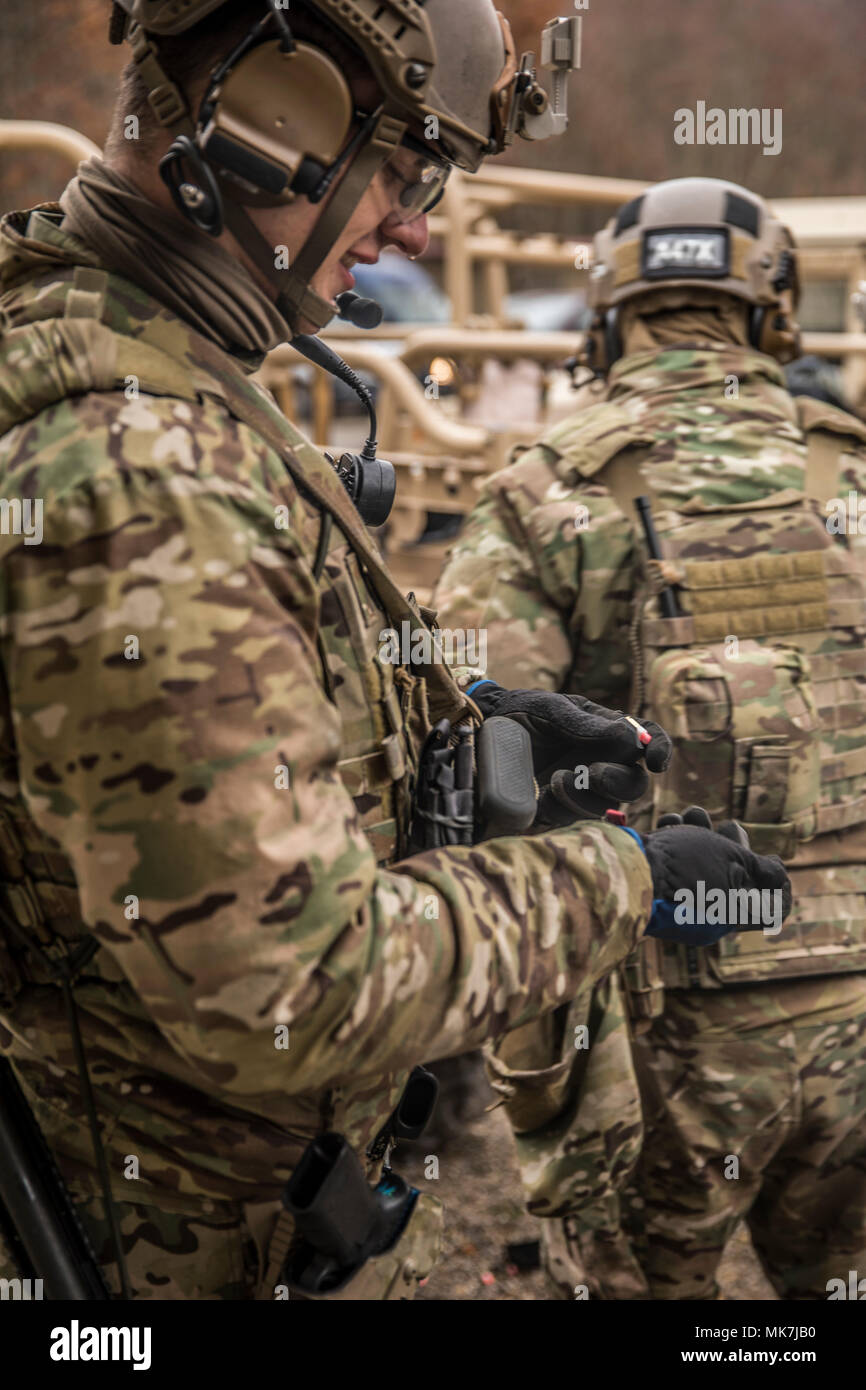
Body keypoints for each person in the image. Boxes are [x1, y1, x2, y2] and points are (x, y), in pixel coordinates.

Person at [0, 4, 789, 1301]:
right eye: (410, 174)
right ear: (276, 124)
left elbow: (240, 699)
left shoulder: (152, 373)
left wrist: (477, 722)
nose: (418, 227)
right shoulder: (143, 473)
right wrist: (627, 880)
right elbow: (298, 984)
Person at [433, 176, 866, 1301]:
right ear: (771, 311)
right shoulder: (852, 469)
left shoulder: (547, 491)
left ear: (610, 315)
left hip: (657, 1014)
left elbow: (476, 755)